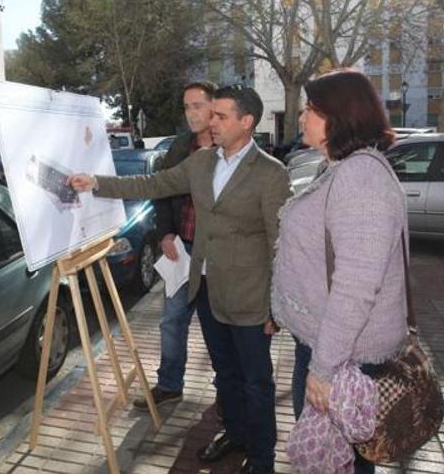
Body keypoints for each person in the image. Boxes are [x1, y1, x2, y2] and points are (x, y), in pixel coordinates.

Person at [69, 85, 291, 474]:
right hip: (204, 288)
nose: (212, 121)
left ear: (247, 122)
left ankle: (262, 458)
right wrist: (97, 183)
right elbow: (153, 185)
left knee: (256, 382)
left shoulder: (271, 174)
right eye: (212, 114)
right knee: (225, 374)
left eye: (221, 116)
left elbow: (279, 245)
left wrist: (277, 305)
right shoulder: (203, 162)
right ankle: (235, 433)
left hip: (249, 296)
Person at [271, 69, 407, 474]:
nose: (302, 117)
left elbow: (356, 286)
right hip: (328, 348)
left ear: (340, 116)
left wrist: (323, 368)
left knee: (339, 464)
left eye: (312, 109)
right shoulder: (339, 168)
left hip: (343, 358)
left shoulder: (360, 178)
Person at [132, 80, 219, 411]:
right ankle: (170, 385)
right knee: (172, 321)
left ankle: (225, 388)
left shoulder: (231, 146)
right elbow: (162, 192)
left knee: (218, 328)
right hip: (182, 249)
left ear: (214, 106)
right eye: (186, 106)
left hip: (217, 254)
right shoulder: (181, 146)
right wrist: (166, 234)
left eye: (198, 105)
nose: (191, 113)